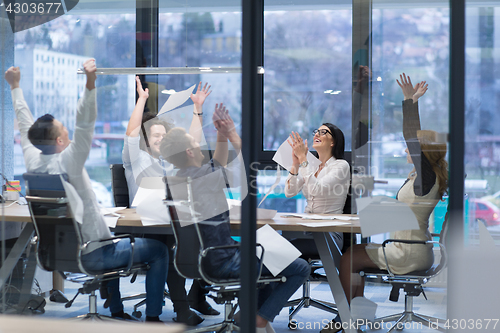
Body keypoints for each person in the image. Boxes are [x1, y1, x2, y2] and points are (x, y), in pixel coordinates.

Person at [4, 60, 169, 322]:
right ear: (59, 141)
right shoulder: (71, 160)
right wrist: (90, 84)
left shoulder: (33, 160)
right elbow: (85, 123)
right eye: (63, 129)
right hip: (94, 252)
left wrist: (15, 87)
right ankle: (153, 318)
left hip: (59, 255)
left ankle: (116, 310)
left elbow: (25, 126)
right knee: (159, 250)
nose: (69, 129)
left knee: (114, 241)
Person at [160, 104, 310, 333]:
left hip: (196, 259)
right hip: (223, 260)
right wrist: (231, 134)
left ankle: (247, 314)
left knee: (270, 258)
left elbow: (216, 166)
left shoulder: (176, 181)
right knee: (299, 267)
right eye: (196, 144)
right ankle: (260, 317)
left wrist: (221, 136)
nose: (201, 146)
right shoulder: (206, 177)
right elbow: (246, 170)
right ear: (190, 152)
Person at [332, 74, 448, 333]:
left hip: (408, 252)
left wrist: (409, 101)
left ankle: (346, 318)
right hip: (414, 246)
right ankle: (356, 316)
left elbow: (411, 137)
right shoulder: (425, 177)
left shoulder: (426, 175)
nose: (407, 150)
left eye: (413, 149)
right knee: (356, 255)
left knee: (349, 259)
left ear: (423, 152)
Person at [122, 77, 218, 325]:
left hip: (170, 222)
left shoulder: (169, 162)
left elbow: (192, 145)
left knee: (204, 235)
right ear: (145, 137)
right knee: (168, 248)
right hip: (145, 226)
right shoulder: (136, 159)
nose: (161, 139)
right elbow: (131, 133)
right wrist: (142, 100)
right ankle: (182, 307)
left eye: (164, 136)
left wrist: (197, 109)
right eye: (155, 135)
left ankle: (194, 297)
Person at [284, 124, 351, 248]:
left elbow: (316, 190)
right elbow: (289, 192)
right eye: (316, 131)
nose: (316, 134)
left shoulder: (341, 165)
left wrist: (303, 158)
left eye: (323, 132)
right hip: (307, 230)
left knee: (284, 249)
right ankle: (302, 267)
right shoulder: (312, 166)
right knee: (275, 243)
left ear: (333, 142)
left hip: (328, 233)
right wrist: (295, 164)